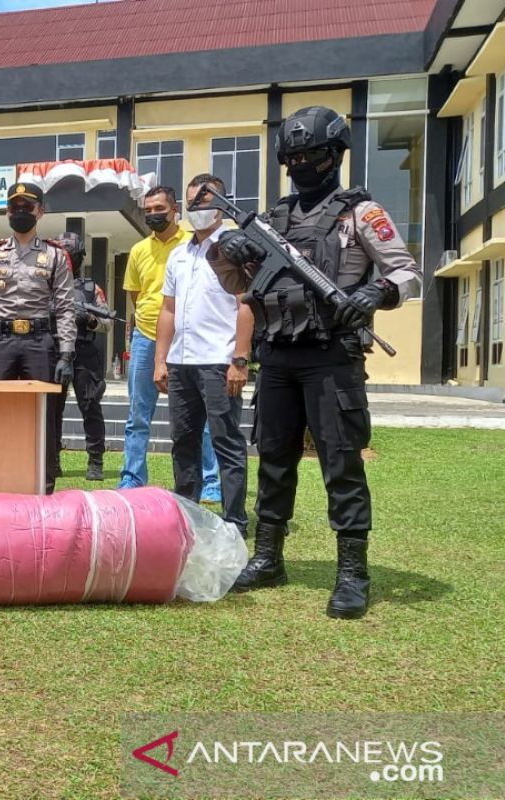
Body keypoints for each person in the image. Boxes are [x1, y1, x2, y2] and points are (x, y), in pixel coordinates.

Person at [213, 106, 422, 619]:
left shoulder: (361, 213)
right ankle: (268, 558)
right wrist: (228, 251)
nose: (303, 163)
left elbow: (408, 274)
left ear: (335, 156)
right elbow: (238, 288)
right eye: (294, 156)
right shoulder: (272, 220)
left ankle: (353, 572)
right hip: (277, 357)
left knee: (341, 464)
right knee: (275, 461)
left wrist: (372, 294)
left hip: (332, 356)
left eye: (313, 154)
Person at [152, 174, 251, 536]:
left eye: (204, 203)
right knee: (183, 442)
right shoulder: (180, 254)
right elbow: (167, 311)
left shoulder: (235, 249)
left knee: (225, 441)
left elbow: (246, 306)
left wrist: (240, 359)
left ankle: (235, 521)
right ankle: (187, 518)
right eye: (192, 203)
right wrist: (161, 360)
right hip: (181, 362)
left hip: (219, 361)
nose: (197, 210)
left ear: (222, 207)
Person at [0, 182, 76, 495]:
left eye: (28, 207)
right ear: (7, 211)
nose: (21, 212)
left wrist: (66, 354)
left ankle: (43, 487)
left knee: (44, 419)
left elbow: (66, 308)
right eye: (16, 207)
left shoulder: (55, 255)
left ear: (40, 211)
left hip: (39, 345)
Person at [119, 185, 223, 499]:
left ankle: (211, 483)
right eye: (148, 210)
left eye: (159, 209)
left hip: (190, 342)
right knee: (138, 414)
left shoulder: (193, 244)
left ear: (175, 209)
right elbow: (136, 296)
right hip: (146, 339)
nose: (153, 214)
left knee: (200, 418)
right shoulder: (138, 250)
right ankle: (132, 477)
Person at [49, 231, 111, 481]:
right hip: (54, 351)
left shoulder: (90, 288)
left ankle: (95, 461)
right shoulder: (45, 285)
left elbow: (107, 322)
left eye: (70, 254)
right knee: (52, 410)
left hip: (84, 352)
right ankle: (52, 459)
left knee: (90, 406)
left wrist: (89, 319)